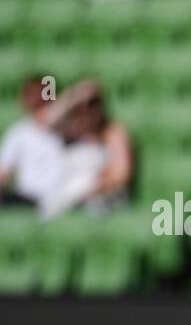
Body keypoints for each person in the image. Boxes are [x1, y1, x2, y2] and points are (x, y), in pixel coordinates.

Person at [39, 81, 135, 219]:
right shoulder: (74, 131)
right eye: (83, 107)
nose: (89, 111)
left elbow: (121, 174)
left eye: (94, 105)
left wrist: (94, 188)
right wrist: (74, 97)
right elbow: (47, 121)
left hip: (102, 197)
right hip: (70, 193)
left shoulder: (113, 132)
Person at [0, 76, 65, 209]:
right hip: (27, 200)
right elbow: (3, 173)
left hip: (62, 199)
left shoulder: (69, 132)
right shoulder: (18, 133)